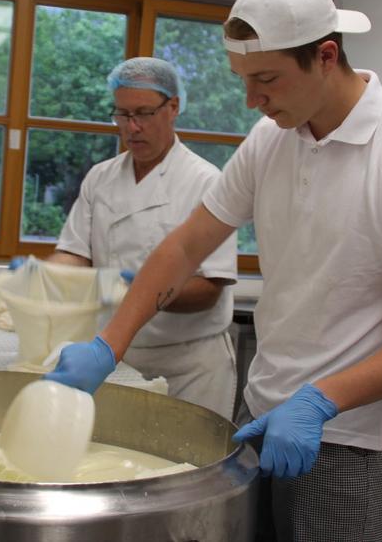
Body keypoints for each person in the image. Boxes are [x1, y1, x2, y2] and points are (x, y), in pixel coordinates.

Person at [43, 0, 382, 541]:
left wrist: (322, 400)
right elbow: (186, 244)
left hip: (348, 429)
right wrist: (110, 343)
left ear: (326, 56)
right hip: (264, 407)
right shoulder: (271, 137)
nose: (253, 99)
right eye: (243, 79)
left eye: (268, 79)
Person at [47, 56, 239, 419]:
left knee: (183, 467)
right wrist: (40, 275)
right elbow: (75, 253)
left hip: (188, 365)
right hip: (116, 355)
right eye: (121, 115)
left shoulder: (205, 182)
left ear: (173, 107)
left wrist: (130, 289)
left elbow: (208, 291)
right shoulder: (100, 178)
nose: (132, 127)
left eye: (144, 114)